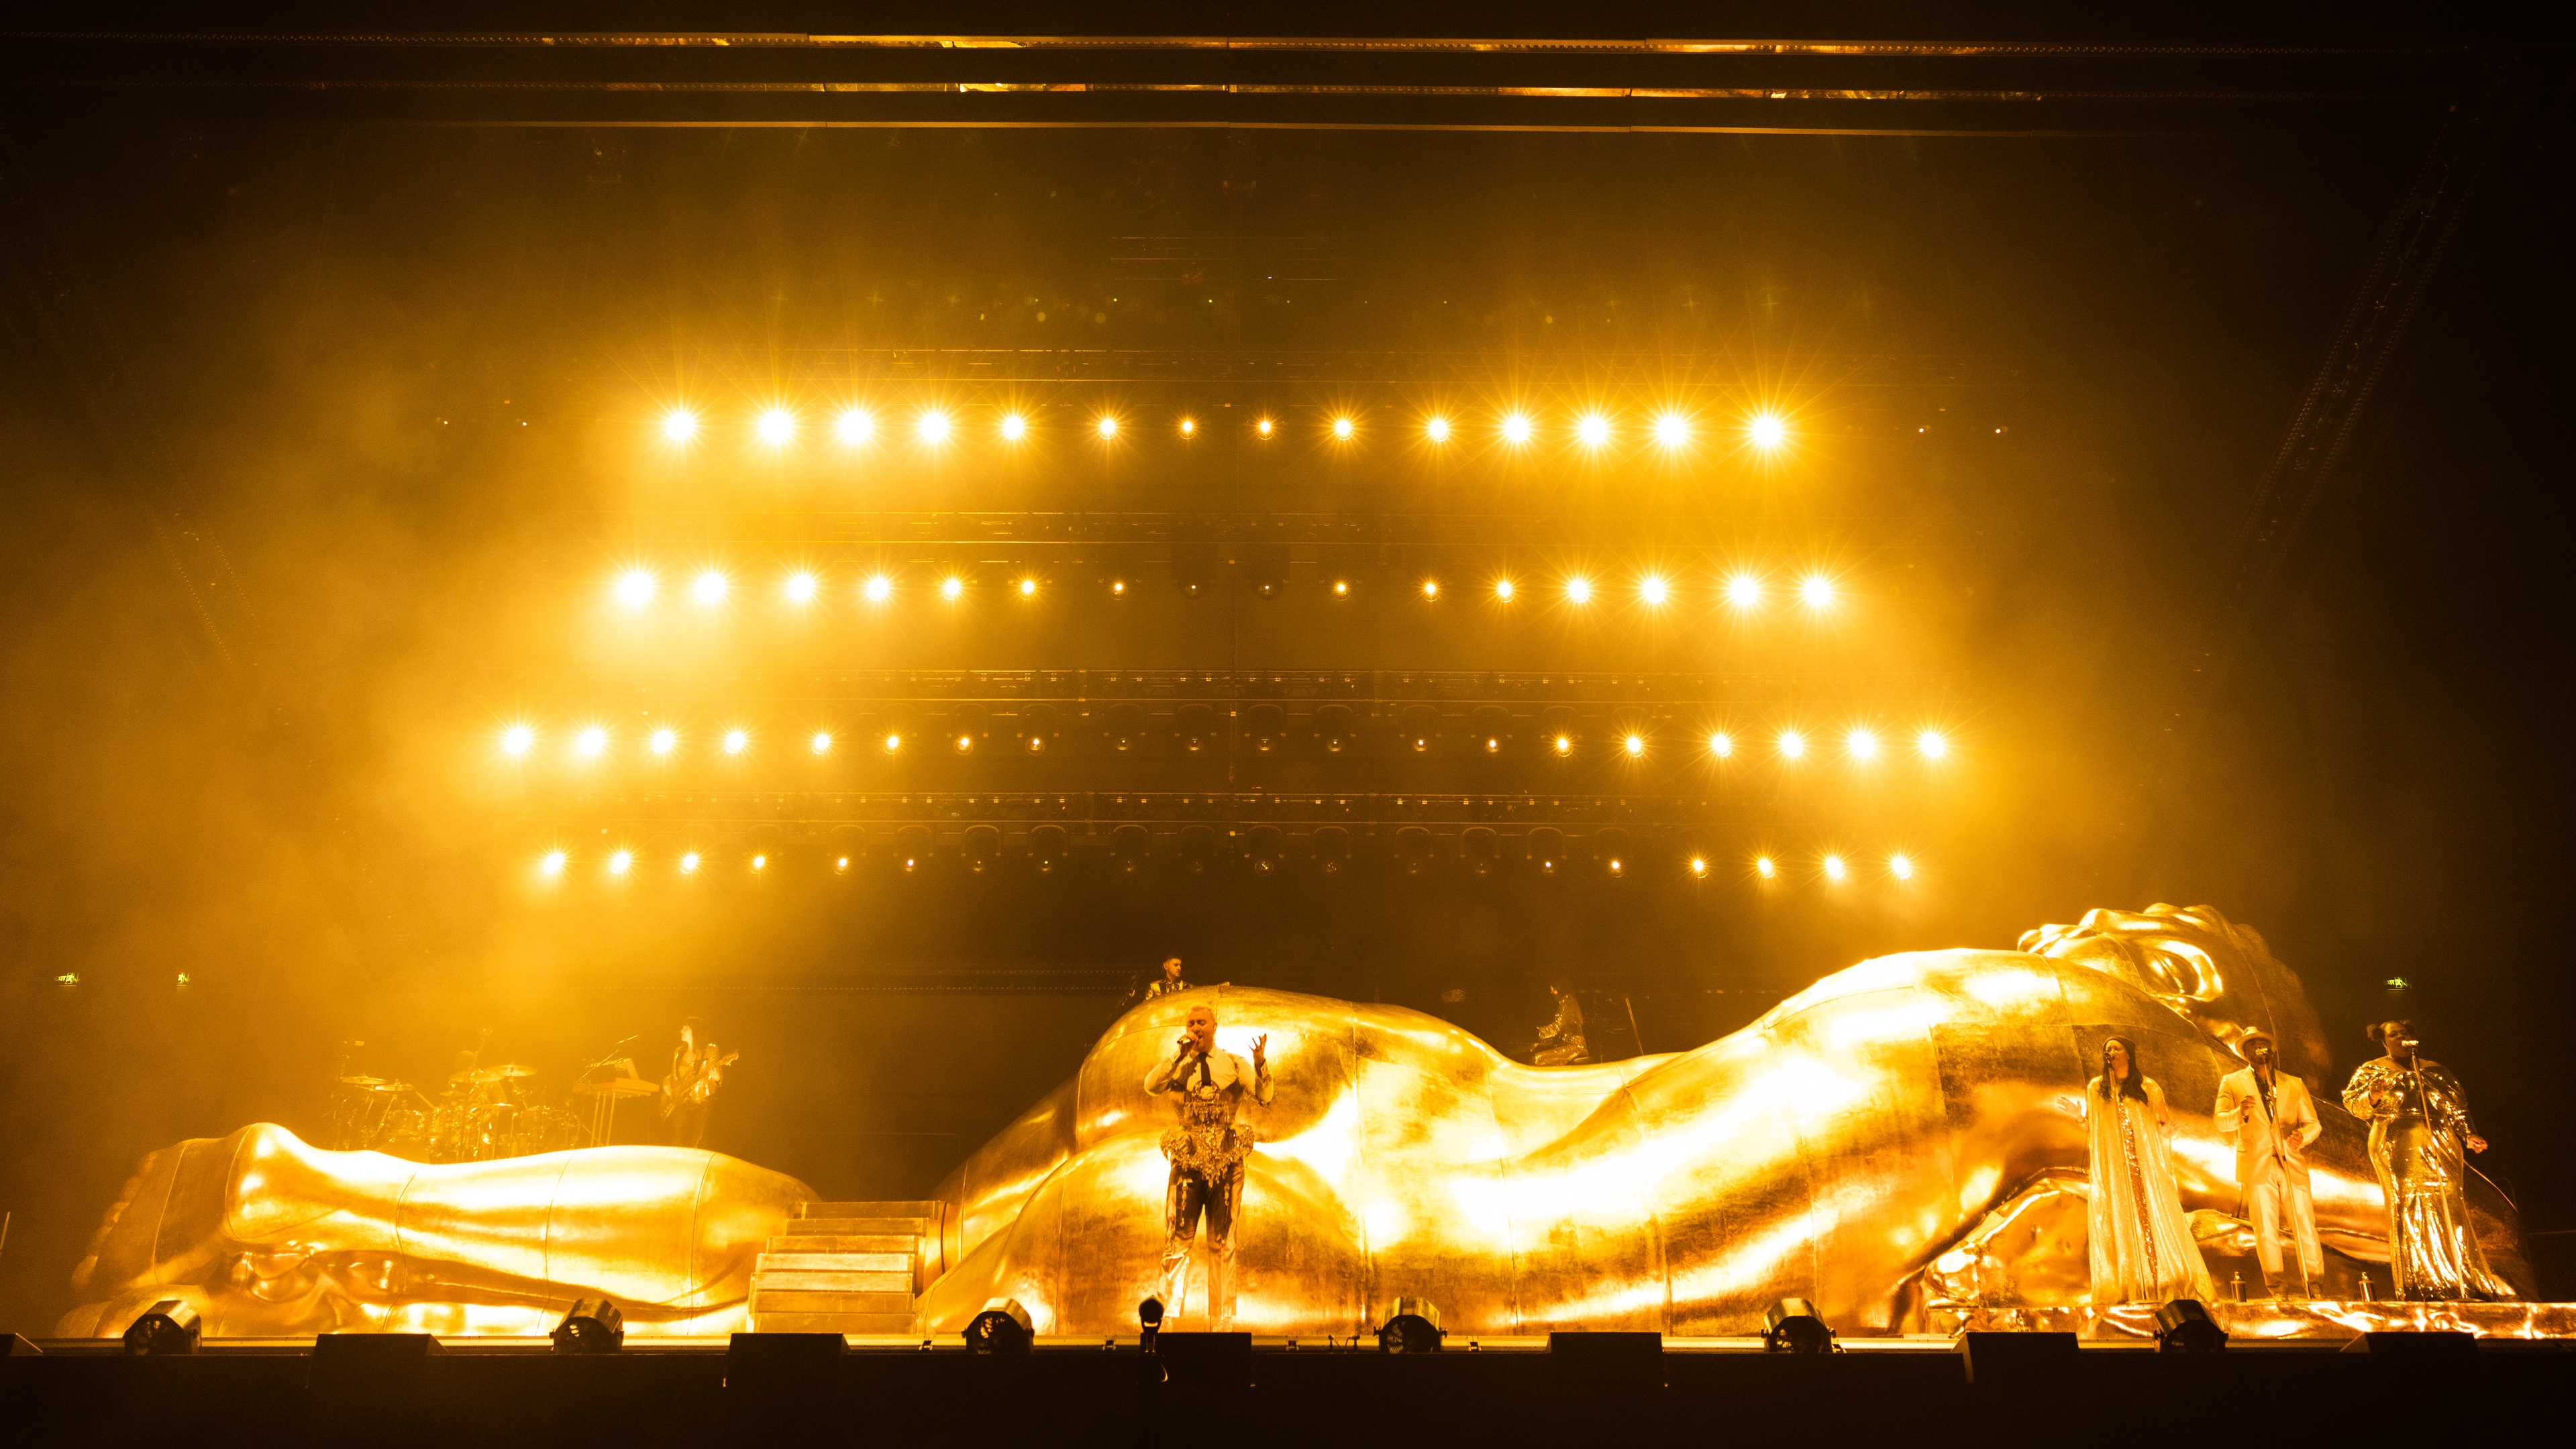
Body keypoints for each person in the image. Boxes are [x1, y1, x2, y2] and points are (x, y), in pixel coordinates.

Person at [2341, 1020, 2514, 1300]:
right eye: (2393, 1034)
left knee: (2450, 1205)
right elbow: (2354, 1105)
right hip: (2396, 1138)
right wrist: (2373, 1095)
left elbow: (2457, 1107)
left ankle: (2464, 1280)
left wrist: (2468, 1134)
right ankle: (2420, 1282)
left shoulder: (2435, 1069)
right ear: (2383, 1041)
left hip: (2440, 1138)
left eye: (2404, 1033)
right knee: (2410, 1204)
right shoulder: (2372, 1069)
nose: (2400, 1037)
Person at [1143, 1002, 1271, 1328]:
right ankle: (1167, 1322)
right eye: (1190, 1023)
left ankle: (1221, 1323)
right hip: (1187, 1161)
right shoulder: (1178, 1066)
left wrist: (1260, 1064)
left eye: (1201, 1023)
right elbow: (1150, 1086)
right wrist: (1177, 1055)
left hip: (1226, 1162)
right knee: (1178, 1239)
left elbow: (1265, 1096)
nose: (1196, 1028)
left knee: (1223, 1242)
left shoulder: (1233, 1062)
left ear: (1214, 1027)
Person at [2083, 1035, 2216, 1304]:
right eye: (2107, 1049)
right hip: (2115, 1168)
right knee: (2120, 1216)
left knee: (2151, 1216)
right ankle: (2128, 1284)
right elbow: (2091, 1126)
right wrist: (2078, 1117)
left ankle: (2161, 1281)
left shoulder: (2148, 1087)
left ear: (2128, 1054)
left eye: (2116, 1048)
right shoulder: (2097, 1088)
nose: (2111, 1052)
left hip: (2144, 1165)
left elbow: (2163, 1123)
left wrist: (2165, 1131)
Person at [2213, 1030, 2323, 1295]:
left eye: (2264, 1045)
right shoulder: (2232, 1082)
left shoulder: (2293, 1083)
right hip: (2257, 1163)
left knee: (2305, 1225)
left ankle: (2315, 1286)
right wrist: (2241, 1113)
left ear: (2272, 1051)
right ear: (2245, 1053)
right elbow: (2220, 1120)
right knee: (2265, 1231)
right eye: (2254, 1046)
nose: (2260, 1049)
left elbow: (2313, 1123)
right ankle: (2278, 1290)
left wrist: (2302, 1136)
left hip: (2290, 1161)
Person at [662, 1018, 735, 1150]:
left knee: (695, 1144)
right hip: (680, 1103)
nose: (681, 1031)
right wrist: (666, 1082)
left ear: (695, 1031)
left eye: (686, 1028)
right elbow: (674, 1075)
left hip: (701, 1103)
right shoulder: (678, 1052)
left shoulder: (710, 1050)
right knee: (677, 1144)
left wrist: (717, 1078)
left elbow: (717, 1077)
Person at [1531, 980, 1588, 1065]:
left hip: (1576, 1047)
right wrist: (1536, 1043)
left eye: (1552, 989)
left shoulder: (1567, 999)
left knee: (1537, 1060)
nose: (1551, 992)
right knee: (1537, 1057)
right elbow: (1557, 1035)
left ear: (1559, 987)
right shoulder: (1565, 1002)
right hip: (1569, 1045)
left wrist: (1537, 1033)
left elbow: (1557, 1027)